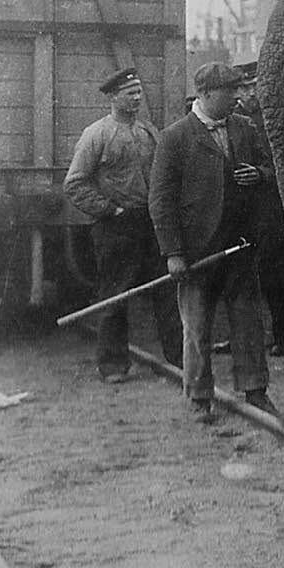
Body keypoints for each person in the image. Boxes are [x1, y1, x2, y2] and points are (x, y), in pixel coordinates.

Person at [150, 63, 280, 423]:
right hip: (196, 253)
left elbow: (272, 169)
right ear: (205, 94)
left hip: (240, 247)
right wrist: (173, 253)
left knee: (249, 323)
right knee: (196, 327)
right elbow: (160, 200)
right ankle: (198, 397)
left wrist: (260, 175)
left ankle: (256, 392)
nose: (238, 98)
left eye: (239, 90)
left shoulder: (245, 128)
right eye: (230, 92)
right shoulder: (174, 138)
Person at [64, 67, 183, 382]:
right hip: (116, 227)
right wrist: (108, 210)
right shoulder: (97, 134)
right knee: (116, 295)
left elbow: (165, 175)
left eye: (139, 92)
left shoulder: (150, 132)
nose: (137, 98)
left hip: (151, 222)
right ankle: (113, 364)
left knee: (167, 292)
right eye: (130, 93)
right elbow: (74, 184)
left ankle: (180, 360)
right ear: (113, 97)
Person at [233, 62, 284, 358]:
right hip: (238, 208)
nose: (250, 94)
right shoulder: (229, 120)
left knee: (277, 273)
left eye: (255, 86)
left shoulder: (276, 119)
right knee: (239, 274)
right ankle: (242, 336)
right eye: (244, 88)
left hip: (272, 207)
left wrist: (262, 175)